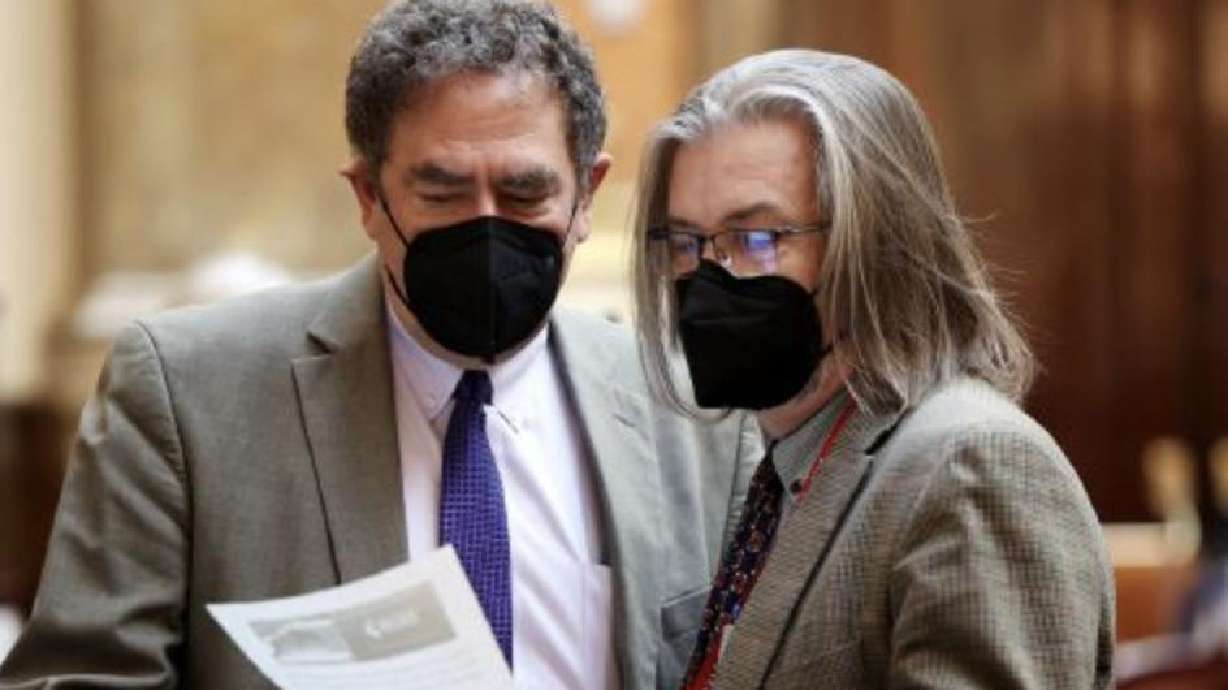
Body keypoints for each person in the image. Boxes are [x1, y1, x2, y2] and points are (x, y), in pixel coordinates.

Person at [0, 2, 759, 688]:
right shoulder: (188, 396)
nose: (486, 226)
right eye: (443, 193)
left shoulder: (693, 414)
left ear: (587, 194)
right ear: (368, 196)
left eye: (525, 193)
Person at [630, 49, 1115, 689]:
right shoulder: (780, 465)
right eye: (687, 244)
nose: (710, 279)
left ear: (876, 243)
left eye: (757, 239)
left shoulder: (974, 466)